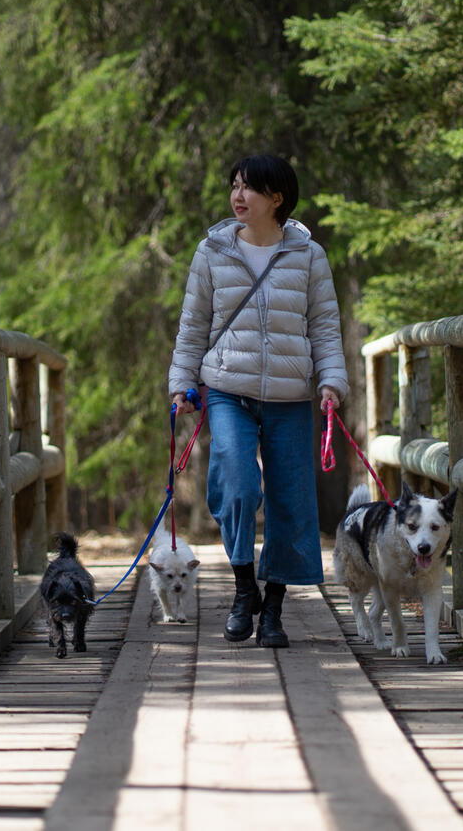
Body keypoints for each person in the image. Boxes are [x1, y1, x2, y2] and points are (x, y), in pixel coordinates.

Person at [168, 154, 348, 647]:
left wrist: (332, 382)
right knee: (238, 486)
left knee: (290, 500)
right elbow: (193, 325)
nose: (237, 195)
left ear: (277, 198)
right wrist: (181, 382)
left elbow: (325, 327)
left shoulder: (309, 256)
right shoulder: (212, 251)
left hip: (290, 395)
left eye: (249, 187)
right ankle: (244, 587)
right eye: (234, 185)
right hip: (229, 389)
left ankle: (273, 609)